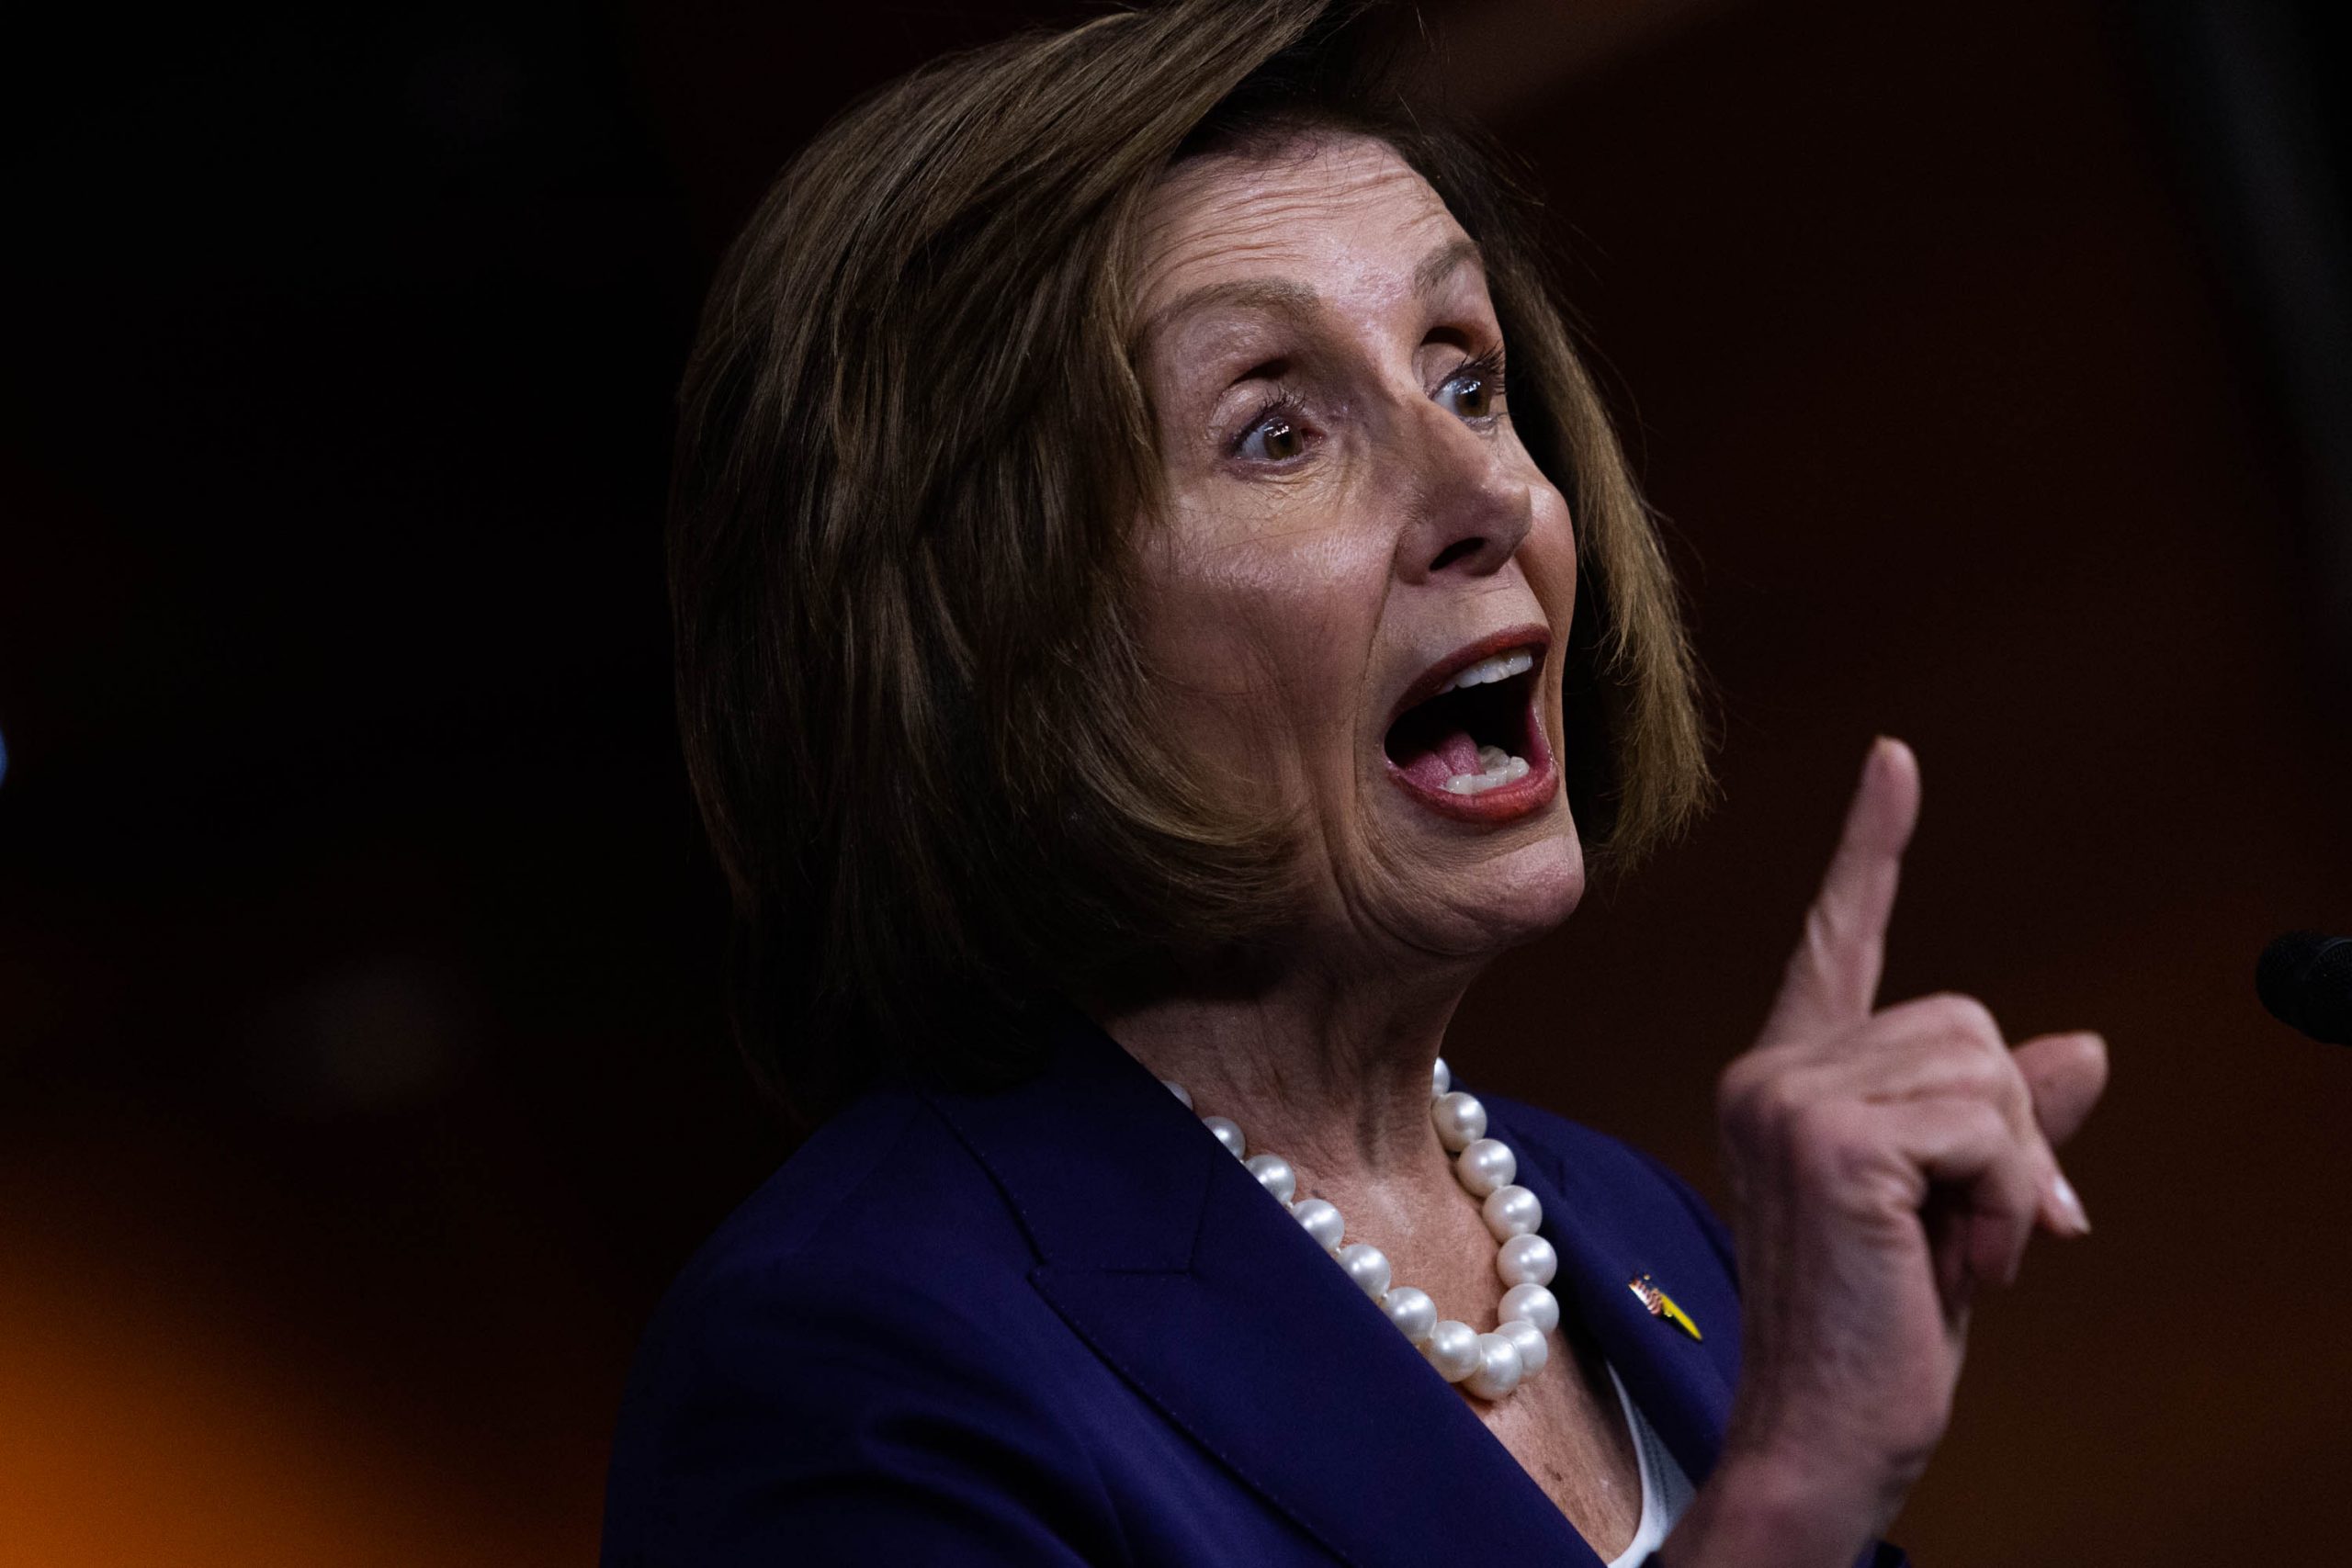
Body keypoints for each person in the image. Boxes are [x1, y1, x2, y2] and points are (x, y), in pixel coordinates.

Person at [600, 2, 2109, 1563]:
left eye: (1464, 378)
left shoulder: (1644, 1233)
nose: (1487, 493)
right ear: (989, 638)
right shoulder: (849, 1373)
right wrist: (1789, 1503)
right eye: (1275, 432)